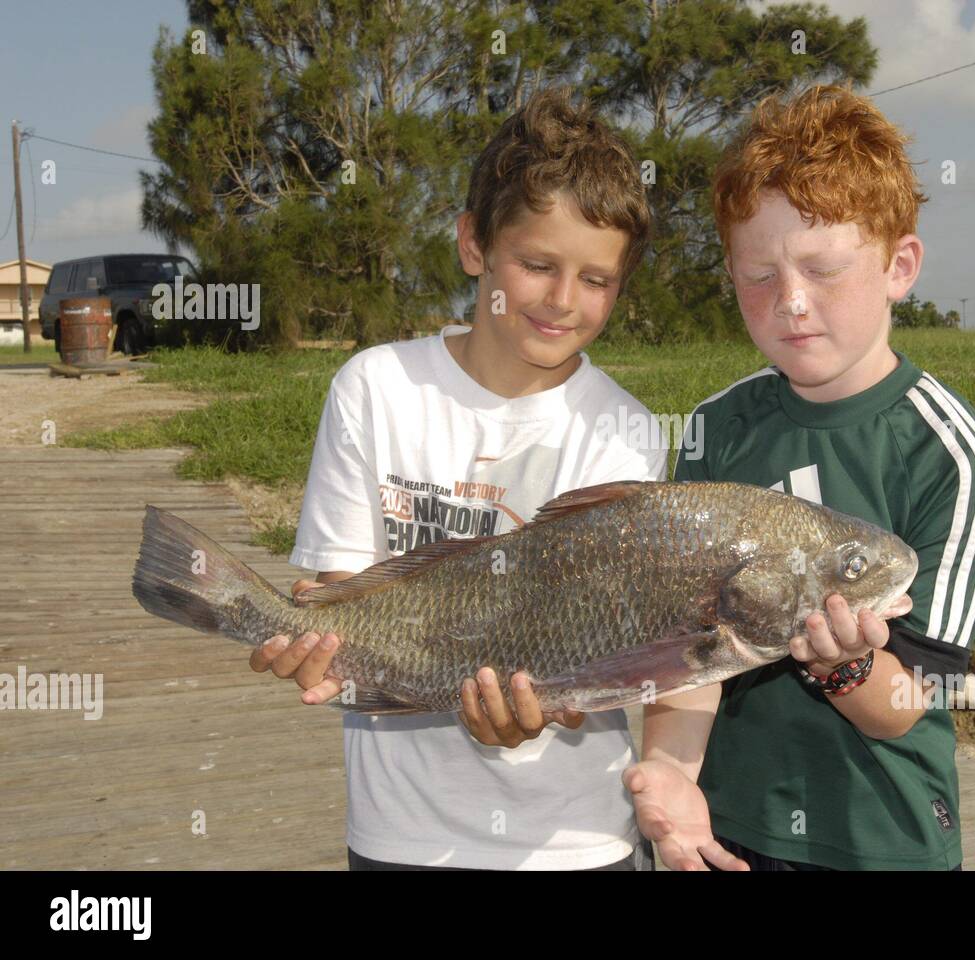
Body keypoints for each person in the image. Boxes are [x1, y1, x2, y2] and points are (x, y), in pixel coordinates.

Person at [250, 87, 665, 870]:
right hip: (400, 832)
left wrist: (539, 708)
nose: (562, 301)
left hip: (573, 839)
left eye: (597, 279)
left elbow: (593, 659)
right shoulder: (375, 387)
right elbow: (350, 598)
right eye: (537, 264)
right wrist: (321, 645)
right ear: (474, 245)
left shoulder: (628, 431)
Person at [624, 84, 975, 871]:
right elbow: (693, 656)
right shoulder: (713, 431)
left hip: (882, 836)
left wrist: (846, 666)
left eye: (823, 270)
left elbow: (908, 705)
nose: (791, 303)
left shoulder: (952, 455)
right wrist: (670, 772)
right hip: (727, 828)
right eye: (757, 277)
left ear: (901, 265)